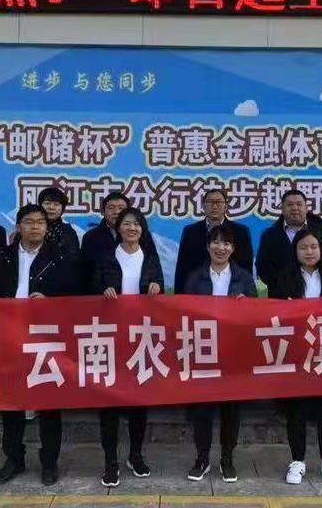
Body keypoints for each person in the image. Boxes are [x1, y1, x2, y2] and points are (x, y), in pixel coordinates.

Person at [0, 204, 72, 487]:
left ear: (47, 228)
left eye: (40, 222)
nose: (35, 226)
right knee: (11, 400)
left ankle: (49, 462)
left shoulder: (60, 257)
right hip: (10, 336)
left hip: (46, 337)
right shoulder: (3, 256)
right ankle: (14, 458)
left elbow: (74, 297)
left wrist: (51, 303)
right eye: (28, 221)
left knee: (49, 403)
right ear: (18, 226)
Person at [92, 207, 164, 488]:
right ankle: (110, 461)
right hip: (110, 337)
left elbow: (160, 290)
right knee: (108, 402)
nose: (132, 228)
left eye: (137, 224)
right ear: (117, 228)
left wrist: (156, 287)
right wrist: (103, 292)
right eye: (126, 224)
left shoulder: (151, 257)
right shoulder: (107, 256)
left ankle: (135, 455)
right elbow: (91, 289)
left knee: (138, 402)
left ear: (142, 229)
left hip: (141, 338)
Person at [183, 224, 257, 483]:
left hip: (233, 353)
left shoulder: (243, 278)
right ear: (208, 246)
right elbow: (184, 312)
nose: (220, 247)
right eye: (216, 242)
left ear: (233, 248)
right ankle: (202, 458)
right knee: (202, 410)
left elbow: (256, 314)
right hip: (204, 352)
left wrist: (246, 306)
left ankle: (227, 459)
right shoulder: (195, 277)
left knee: (230, 411)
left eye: (226, 243)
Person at [276, 228, 322, 487]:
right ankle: (297, 461)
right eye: (303, 247)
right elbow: (273, 315)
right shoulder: (284, 278)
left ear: (321, 249)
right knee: (297, 409)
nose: (309, 252)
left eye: (313, 247)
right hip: (296, 352)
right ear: (295, 251)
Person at [256, 190, 322, 299]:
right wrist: (282, 285)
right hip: (282, 297)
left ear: (306, 207)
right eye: (289, 205)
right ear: (282, 209)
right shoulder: (270, 235)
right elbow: (263, 268)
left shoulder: (319, 231)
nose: (294, 208)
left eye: (299, 204)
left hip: (318, 295)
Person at [174, 189, 253, 294]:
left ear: (226, 206)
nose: (214, 206)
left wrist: (246, 292)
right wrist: (179, 296)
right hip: (197, 291)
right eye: (210, 202)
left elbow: (246, 265)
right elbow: (182, 266)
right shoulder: (190, 231)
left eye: (219, 202)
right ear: (203, 206)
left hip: (232, 291)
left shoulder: (240, 232)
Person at [80, 192, 158, 294]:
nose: (116, 212)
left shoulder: (142, 234)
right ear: (103, 212)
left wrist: (156, 284)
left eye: (121, 208)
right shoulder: (91, 237)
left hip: (140, 296)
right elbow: (84, 272)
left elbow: (154, 265)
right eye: (111, 208)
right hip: (101, 298)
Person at [38, 186, 80, 261]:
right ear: (40, 206)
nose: (51, 207)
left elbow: (74, 260)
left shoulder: (69, 232)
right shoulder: (32, 228)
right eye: (47, 203)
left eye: (56, 204)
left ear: (62, 209)